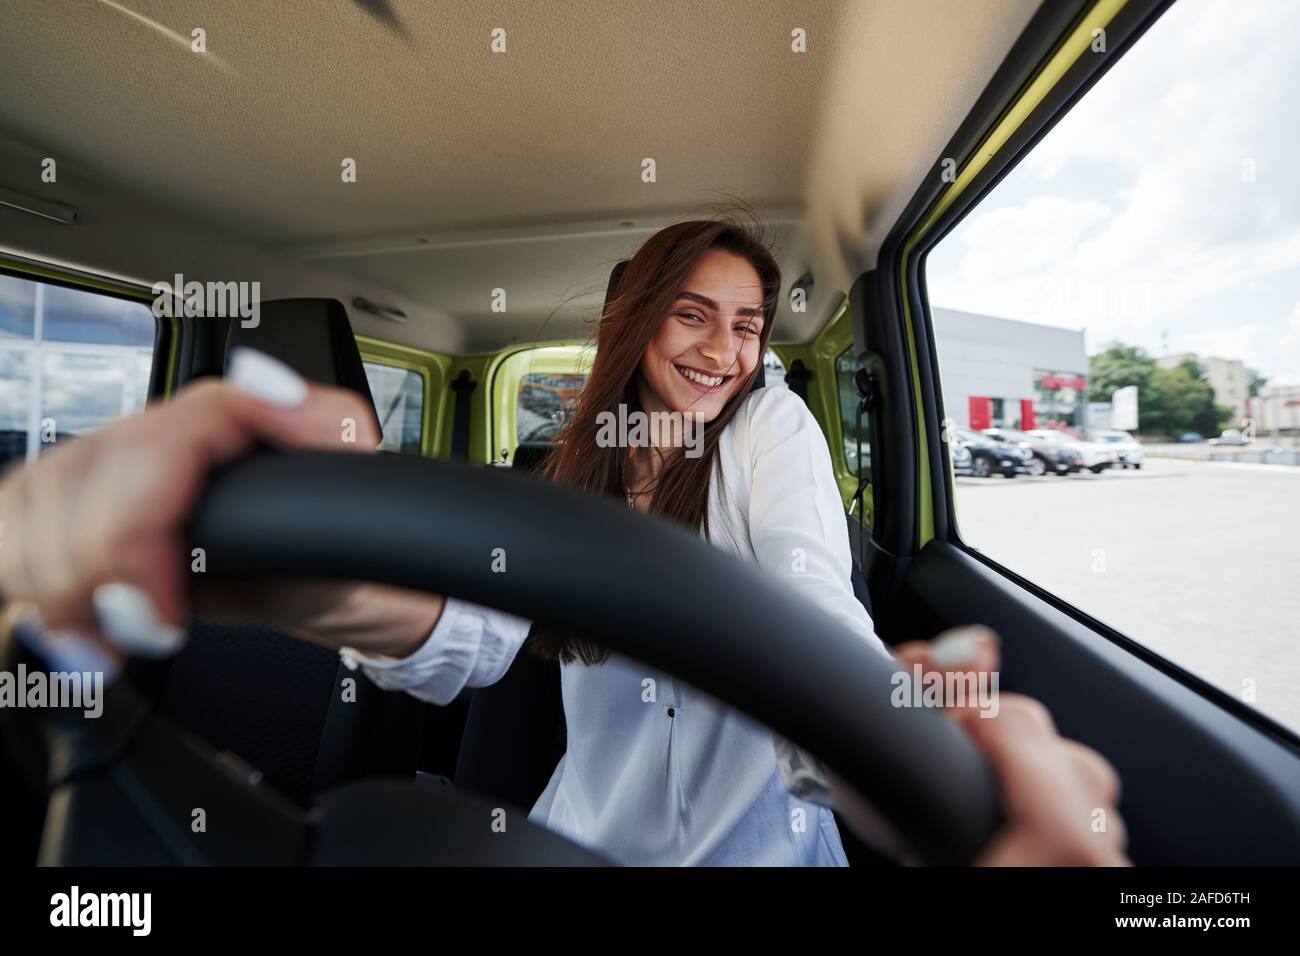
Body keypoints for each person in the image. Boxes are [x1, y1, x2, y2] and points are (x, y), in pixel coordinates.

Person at [0, 215, 1127, 866]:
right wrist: (316, 579)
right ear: (633, 323)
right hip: (580, 845)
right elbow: (464, 638)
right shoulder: (563, 472)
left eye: (745, 324)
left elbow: (808, 588)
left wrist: (898, 735)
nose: (725, 350)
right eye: (694, 313)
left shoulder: (767, 429)